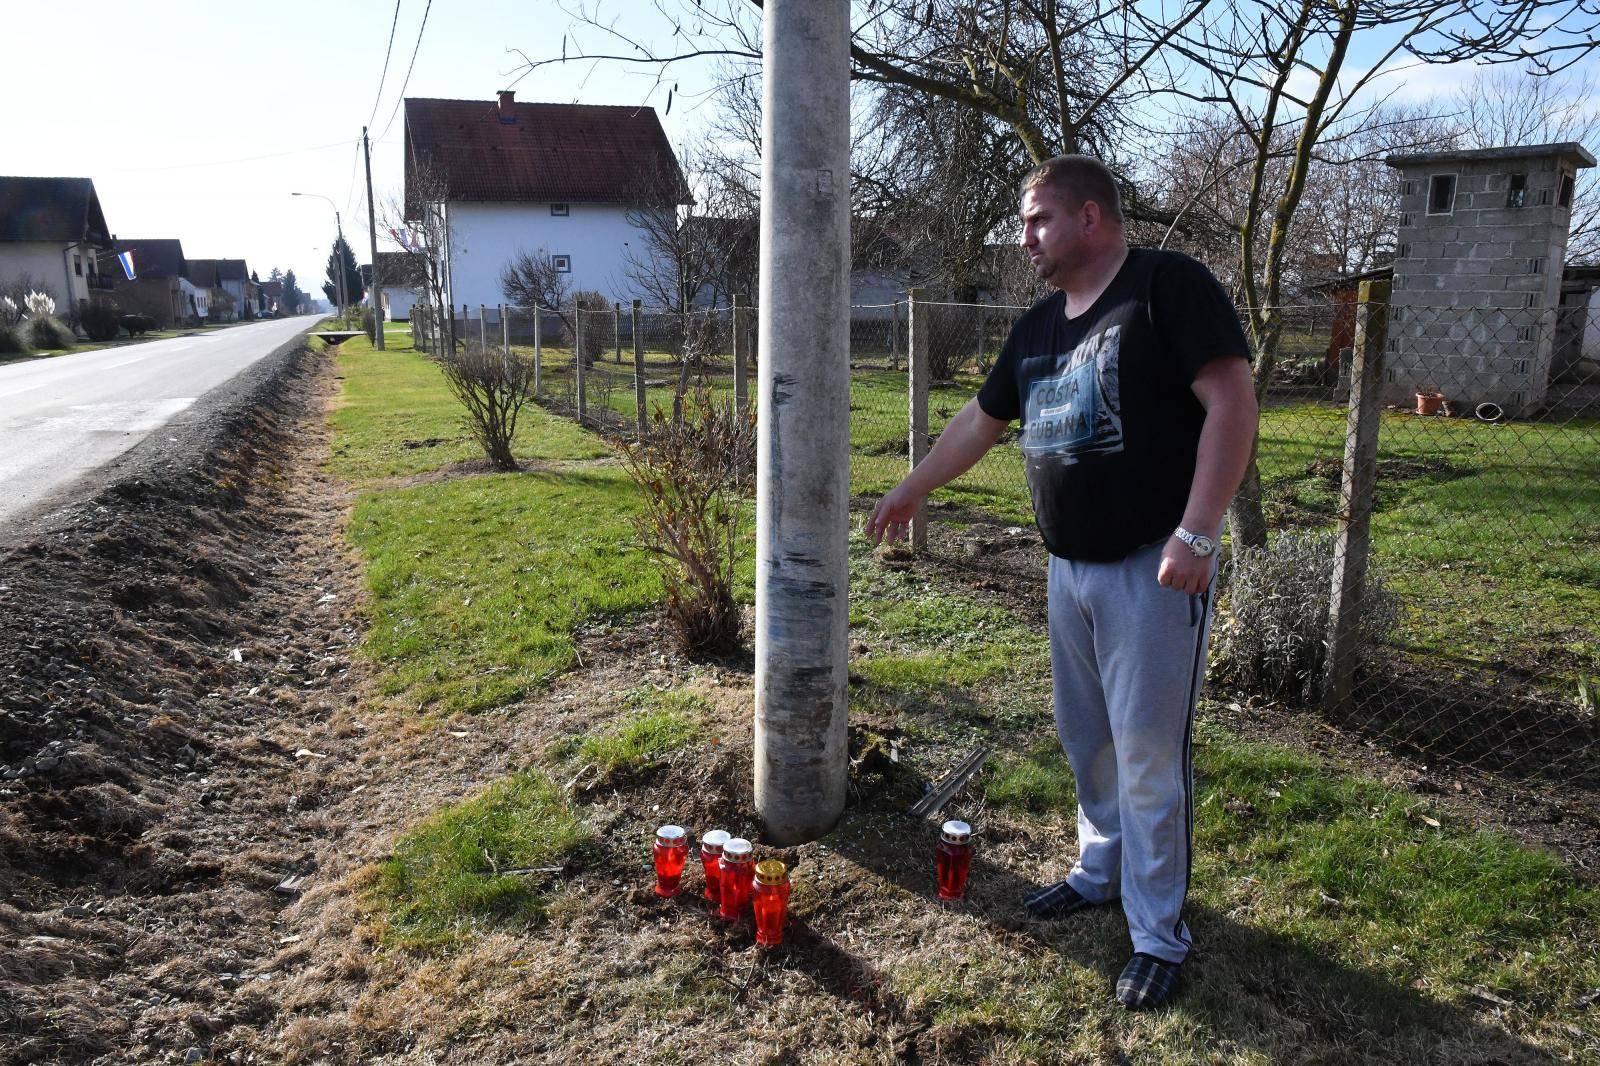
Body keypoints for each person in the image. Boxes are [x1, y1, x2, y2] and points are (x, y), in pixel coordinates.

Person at [867, 155, 1258, 1010]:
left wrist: (1197, 531)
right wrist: (913, 486)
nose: (1024, 235)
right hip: (1067, 569)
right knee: (1089, 740)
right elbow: (982, 418)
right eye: (1021, 221)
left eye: (1038, 218)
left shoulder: (1165, 287)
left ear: (1091, 218)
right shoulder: (1040, 325)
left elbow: (1232, 399)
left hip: (1155, 564)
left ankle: (1158, 934)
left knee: (1151, 755)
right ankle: (1098, 871)